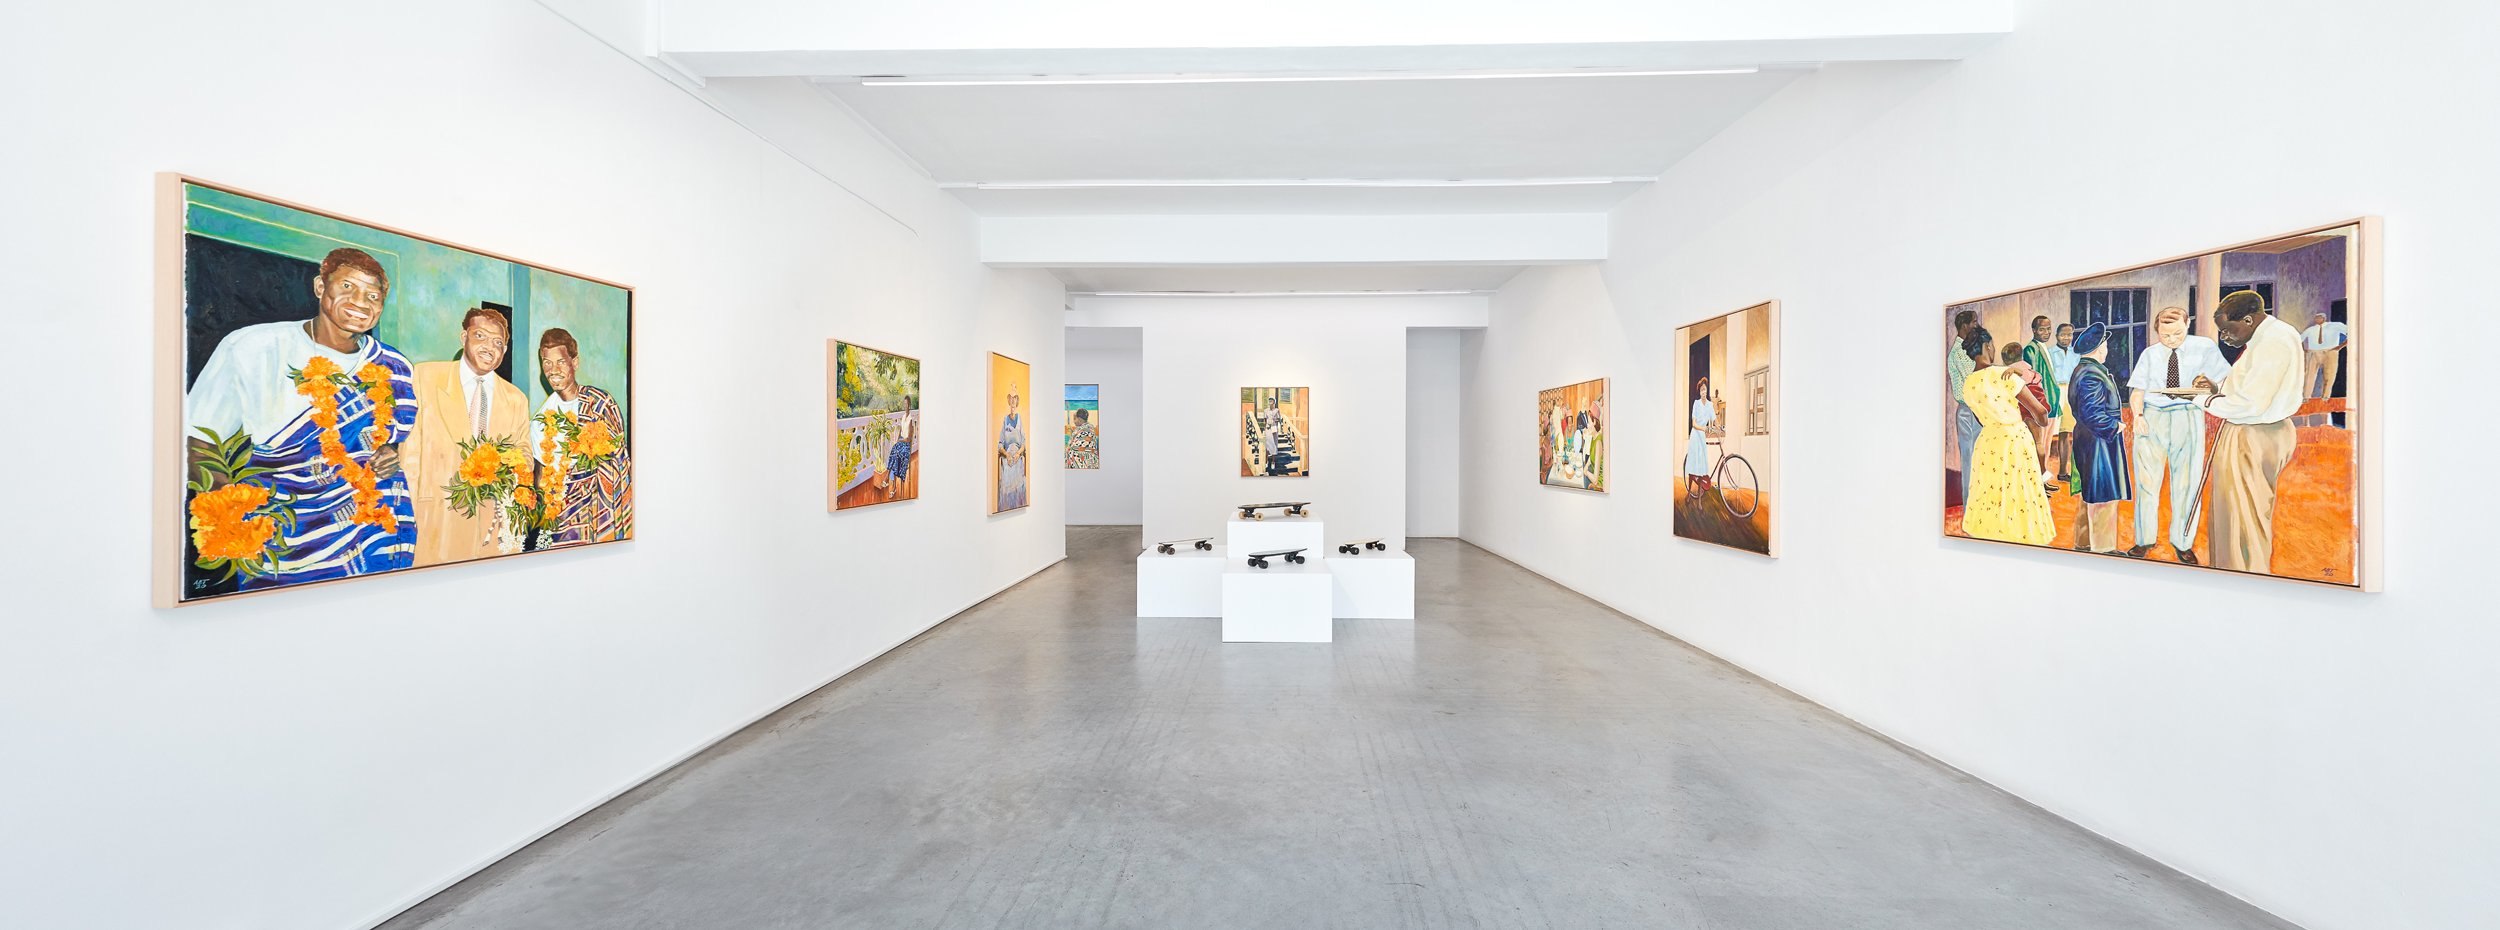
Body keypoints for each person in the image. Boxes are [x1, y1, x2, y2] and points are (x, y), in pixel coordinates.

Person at [183, 247, 417, 587]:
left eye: (373, 296)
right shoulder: (253, 347)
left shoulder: (395, 366)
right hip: (287, 544)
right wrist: (232, 516)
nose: (360, 303)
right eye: (348, 287)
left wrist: (391, 453)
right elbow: (197, 441)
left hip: (378, 537)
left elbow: (392, 438)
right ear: (320, 287)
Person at [2194, 291, 2309, 573]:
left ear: (2247, 320)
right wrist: (2216, 388)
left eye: (2227, 330)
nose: (2224, 337)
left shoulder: (2273, 341)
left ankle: (2243, 577)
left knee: (2243, 520)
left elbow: (2251, 403)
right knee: (2239, 514)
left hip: (2253, 433)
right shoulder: (2267, 336)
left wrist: (2201, 401)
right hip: (2255, 430)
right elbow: (2251, 386)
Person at [408, 307, 531, 566]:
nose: (489, 347)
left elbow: (524, 454)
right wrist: (408, 517)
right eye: (480, 336)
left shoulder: (516, 399)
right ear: (464, 337)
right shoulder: (425, 377)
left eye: (498, 343)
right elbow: (410, 456)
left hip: (494, 529)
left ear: (504, 351)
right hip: (436, 524)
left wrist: (505, 467)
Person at [2125, 307, 2232, 563]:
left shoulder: (2204, 348)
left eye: (2177, 334)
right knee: (2147, 481)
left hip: (2188, 414)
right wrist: (2137, 416)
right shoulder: (2150, 354)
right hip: (2153, 416)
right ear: (2157, 332)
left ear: (2187, 324)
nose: (2172, 340)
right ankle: (2144, 539)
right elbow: (2137, 390)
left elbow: (2226, 380)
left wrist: (2212, 387)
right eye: (2165, 336)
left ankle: (2182, 542)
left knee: (2187, 481)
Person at [535, 328, 633, 547]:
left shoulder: (600, 403)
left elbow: (620, 464)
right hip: (563, 522)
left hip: (603, 514)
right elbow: (541, 479)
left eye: (561, 362)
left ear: (575, 362)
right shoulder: (540, 420)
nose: (553, 370)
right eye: (547, 363)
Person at [1958, 330, 2054, 544]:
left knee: (1992, 490)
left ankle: (1993, 535)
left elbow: (1980, 418)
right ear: (1987, 346)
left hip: (1988, 441)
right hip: (2014, 439)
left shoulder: (1968, 384)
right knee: (2018, 490)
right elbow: (2040, 413)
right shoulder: (2005, 375)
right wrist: (2034, 419)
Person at [2065, 322, 2132, 553]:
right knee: (2103, 495)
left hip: (2089, 440)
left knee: (2089, 492)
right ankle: (2104, 549)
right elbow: (2092, 413)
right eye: (2105, 345)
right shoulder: (2091, 374)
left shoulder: (2085, 370)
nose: (2107, 349)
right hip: (2098, 442)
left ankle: (2083, 543)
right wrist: (2115, 426)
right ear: (2099, 348)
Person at [2019, 315, 2064, 488]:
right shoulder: (2031, 349)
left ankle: (2042, 483)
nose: (2046, 332)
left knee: (2045, 444)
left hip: (2051, 404)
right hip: (2043, 405)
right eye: (2042, 329)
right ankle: (2037, 485)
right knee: (2039, 446)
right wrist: (2041, 405)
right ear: (2034, 330)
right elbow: (2033, 380)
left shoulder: (2044, 347)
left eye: (2048, 329)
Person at [1947, 309, 1983, 500]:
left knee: (1978, 457)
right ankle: (1970, 506)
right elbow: (1973, 378)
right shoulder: (1960, 352)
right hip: (1968, 411)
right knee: (1970, 459)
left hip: (1975, 408)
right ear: (1964, 326)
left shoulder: (1967, 348)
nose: (1976, 325)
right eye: (1974, 322)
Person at [2047, 322, 2082, 480]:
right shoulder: (2050, 353)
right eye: (2063, 335)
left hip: (2071, 391)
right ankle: (2043, 473)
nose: (2066, 338)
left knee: (2066, 432)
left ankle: (2063, 472)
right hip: (2055, 392)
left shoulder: (2076, 354)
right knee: (2048, 432)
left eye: (2069, 335)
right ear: (2056, 336)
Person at [2300, 310, 2351, 399]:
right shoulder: (2310, 329)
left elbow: (2351, 333)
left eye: (2319, 317)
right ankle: (2306, 397)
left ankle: (2325, 397)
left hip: (2330, 352)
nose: (2317, 319)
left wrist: (2340, 346)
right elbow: (2299, 339)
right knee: (2309, 376)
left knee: (2329, 375)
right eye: (2316, 317)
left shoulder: (2335, 326)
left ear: (2324, 318)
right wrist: (2304, 349)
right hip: (2314, 353)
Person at [996, 389, 1028, 509]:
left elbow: (1023, 443)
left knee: (1018, 479)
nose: (1013, 400)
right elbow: (1000, 444)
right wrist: (1007, 454)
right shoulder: (1005, 420)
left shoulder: (1020, 419)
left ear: (1017, 401)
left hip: (1018, 457)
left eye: (1015, 398)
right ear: (1008, 400)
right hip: (1007, 457)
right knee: (1007, 477)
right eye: (1011, 398)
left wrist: (1018, 453)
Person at [1685, 377, 1717, 495]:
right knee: (1694, 464)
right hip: (1695, 435)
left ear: (1707, 390)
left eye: (1705, 389)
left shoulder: (1710, 405)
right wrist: (1704, 428)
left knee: (1702, 466)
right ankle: (1689, 493)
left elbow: (1714, 419)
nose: (1703, 391)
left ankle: (1699, 493)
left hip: (1702, 437)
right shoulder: (1696, 404)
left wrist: (1719, 428)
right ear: (1699, 392)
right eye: (1701, 390)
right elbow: (1694, 424)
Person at [878, 413, 917, 499]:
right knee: (894, 452)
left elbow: (908, 439)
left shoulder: (911, 425)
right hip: (900, 444)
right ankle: (893, 485)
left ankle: (888, 480)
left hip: (906, 447)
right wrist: (900, 440)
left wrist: (901, 440)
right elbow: (899, 438)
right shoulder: (902, 426)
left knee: (896, 456)